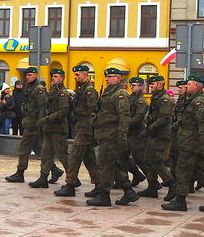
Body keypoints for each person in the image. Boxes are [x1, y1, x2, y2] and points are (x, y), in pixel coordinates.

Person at [161, 75, 204, 212]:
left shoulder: (198, 102)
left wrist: (202, 144)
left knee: (182, 170)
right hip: (187, 141)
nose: (186, 86)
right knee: (199, 171)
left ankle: (180, 200)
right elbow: (184, 120)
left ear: (195, 86)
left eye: (189, 84)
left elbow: (203, 124)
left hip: (192, 143)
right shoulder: (191, 100)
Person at [86, 68, 138, 206]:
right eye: (107, 76)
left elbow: (124, 117)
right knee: (112, 165)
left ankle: (104, 196)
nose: (108, 79)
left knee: (104, 165)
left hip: (112, 136)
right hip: (105, 135)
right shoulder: (108, 93)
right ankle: (129, 191)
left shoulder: (120, 94)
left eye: (111, 76)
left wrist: (121, 138)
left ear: (118, 78)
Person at [55, 64, 99, 197]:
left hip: (85, 129)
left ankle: (70, 184)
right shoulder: (80, 90)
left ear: (85, 75)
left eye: (77, 74)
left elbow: (92, 112)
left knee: (74, 157)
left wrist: (91, 132)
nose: (75, 76)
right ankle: (99, 185)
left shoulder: (89, 91)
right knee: (90, 159)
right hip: (81, 127)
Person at [5, 67, 46, 183]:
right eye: (27, 75)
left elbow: (42, 108)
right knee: (38, 149)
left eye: (31, 75)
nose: (28, 77)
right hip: (30, 122)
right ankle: (54, 169)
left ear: (36, 75)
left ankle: (20, 173)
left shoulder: (39, 89)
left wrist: (40, 123)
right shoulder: (30, 88)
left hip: (34, 124)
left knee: (24, 148)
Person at [30, 69, 69, 188]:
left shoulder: (63, 93)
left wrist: (47, 119)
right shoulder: (52, 92)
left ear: (62, 78)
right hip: (48, 128)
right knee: (45, 154)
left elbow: (63, 111)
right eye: (52, 76)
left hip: (58, 129)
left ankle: (72, 178)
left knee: (63, 156)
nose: (53, 78)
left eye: (56, 76)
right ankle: (43, 178)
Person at [125, 77, 149, 189]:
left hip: (136, 133)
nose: (132, 87)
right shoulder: (130, 98)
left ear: (141, 87)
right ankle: (136, 175)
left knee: (140, 159)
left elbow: (138, 117)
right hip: (128, 132)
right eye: (131, 85)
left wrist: (125, 123)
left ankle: (153, 182)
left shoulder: (141, 101)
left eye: (134, 85)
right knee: (122, 157)